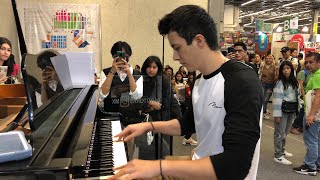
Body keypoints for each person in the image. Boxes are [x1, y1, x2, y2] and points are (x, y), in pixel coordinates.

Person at [110, 5, 263, 180]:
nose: (175, 56)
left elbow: (235, 166)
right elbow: (187, 124)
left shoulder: (241, 81)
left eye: (177, 47)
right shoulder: (199, 80)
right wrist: (147, 126)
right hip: (198, 161)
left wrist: (160, 166)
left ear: (199, 40)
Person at [98, 41, 143, 159]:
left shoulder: (137, 74)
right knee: (113, 150)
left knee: (130, 150)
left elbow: (136, 96)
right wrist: (112, 72)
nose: (121, 58)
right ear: (113, 56)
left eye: (124, 55)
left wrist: (129, 73)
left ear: (129, 56)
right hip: (111, 116)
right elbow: (102, 95)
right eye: (117, 55)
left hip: (131, 117)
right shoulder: (106, 72)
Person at [138, 55, 182, 159]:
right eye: (149, 67)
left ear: (158, 68)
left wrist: (180, 121)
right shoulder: (140, 80)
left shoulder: (164, 80)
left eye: (154, 67)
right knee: (146, 152)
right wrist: (149, 102)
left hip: (162, 119)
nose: (151, 70)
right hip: (145, 120)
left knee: (164, 152)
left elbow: (168, 102)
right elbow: (136, 99)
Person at [293, 52, 320, 176]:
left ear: (318, 63)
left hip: (313, 114)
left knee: (311, 140)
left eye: (311, 62)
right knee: (316, 140)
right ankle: (316, 164)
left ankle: (310, 166)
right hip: (316, 114)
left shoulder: (318, 76)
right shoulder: (315, 75)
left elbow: (318, 97)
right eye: (307, 62)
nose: (308, 65)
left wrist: (310, 115)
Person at [272, 61, 299, 165]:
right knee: (279, 133)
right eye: (283, 69)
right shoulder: (280, 82)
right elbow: (277, 99)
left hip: (291, 110)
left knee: (285, 133)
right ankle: (278, 155)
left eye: (288, 68)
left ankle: (282, 150)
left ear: (291, 69)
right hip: (282, 111)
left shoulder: (293, 81)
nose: (285, 71)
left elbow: (297, 96)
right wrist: (277, 115)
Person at [260, 54, 278, 119]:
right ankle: (263, 112)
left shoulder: (275, 67)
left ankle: (264, 112)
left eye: (270, 58)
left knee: (265, 100)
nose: (268, 59)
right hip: (262, 84)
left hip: (270, 85)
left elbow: (276, 77)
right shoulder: (262, 66)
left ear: (272, 59)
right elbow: (260, 75)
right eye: (267, 58)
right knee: (261, 99)